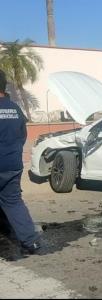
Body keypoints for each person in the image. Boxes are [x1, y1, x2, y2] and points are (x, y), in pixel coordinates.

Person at [0, 69, 41, 254]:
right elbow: (22, 135)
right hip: (13, 164)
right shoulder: (15, 109)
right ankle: (30, 241)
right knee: (12, 201)